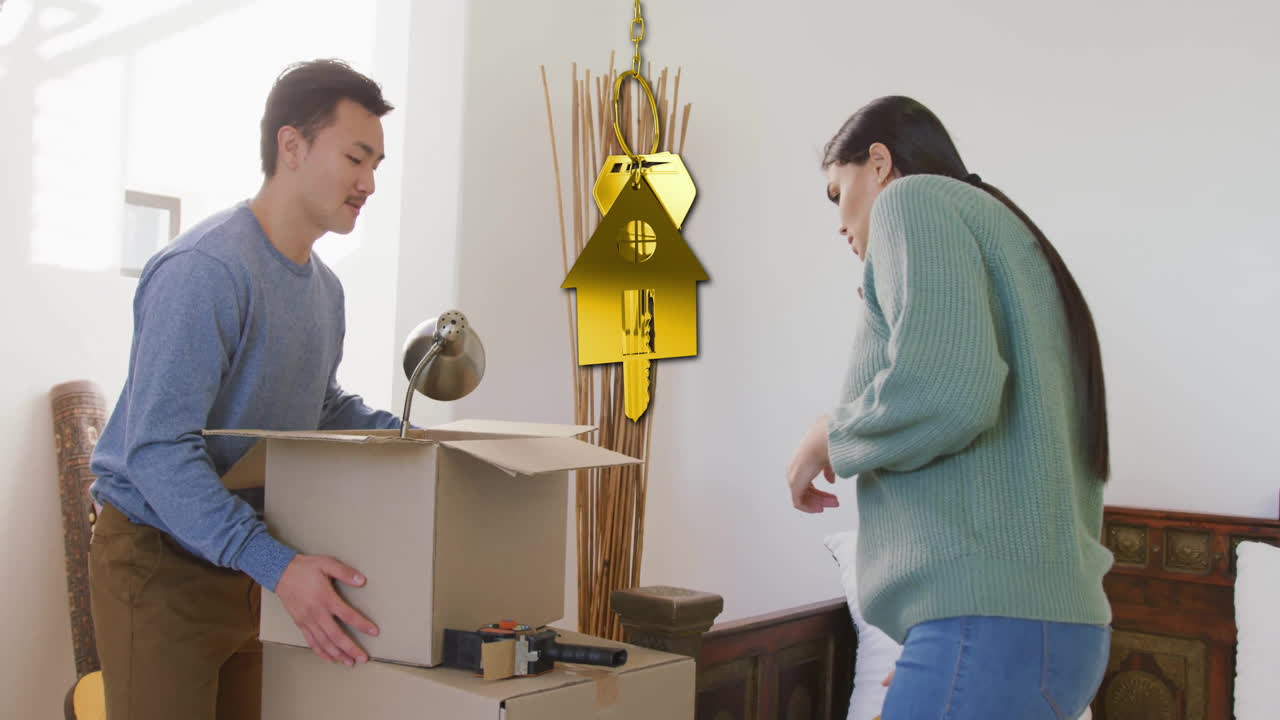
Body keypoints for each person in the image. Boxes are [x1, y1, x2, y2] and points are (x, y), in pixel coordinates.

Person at [88, 59, 400, 720]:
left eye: (377, 164)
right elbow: (157, 450)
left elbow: (316, 406)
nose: (370, 182)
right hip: (161, 562)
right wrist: (276, 565)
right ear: (292, 146)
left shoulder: (325, 290)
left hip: (250, 562)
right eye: (356, 156)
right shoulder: (207, 270)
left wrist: (408, 438)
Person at [786, 96, 1114, 719]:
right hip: (1040, 633)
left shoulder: (916, 202)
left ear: (878, 164)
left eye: (836, 192)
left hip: (989, 627)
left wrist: (828, 437)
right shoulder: (1009, 238)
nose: (838, 220)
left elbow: (949, 393)